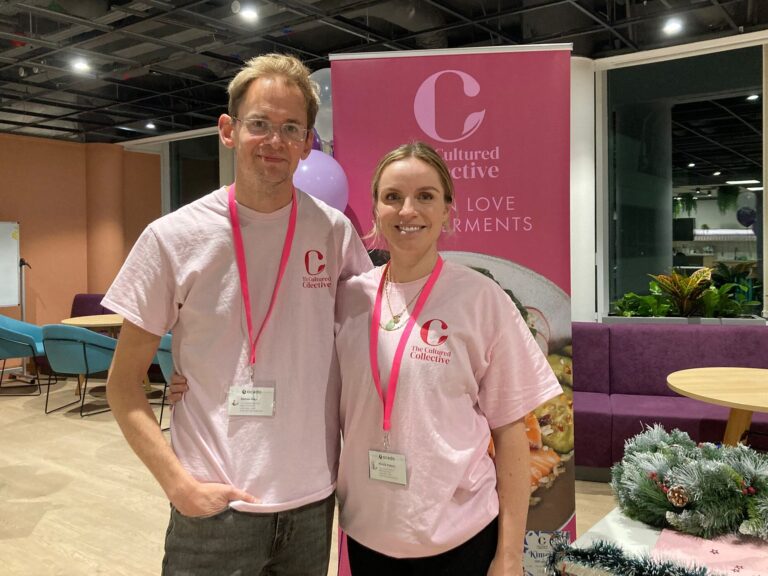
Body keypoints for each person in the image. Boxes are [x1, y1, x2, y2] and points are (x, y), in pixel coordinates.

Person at [103, 53, 371, 575]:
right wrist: (178, 485)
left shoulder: (334, 233)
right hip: (214, 507)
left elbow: (367, 341)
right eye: (260, 124)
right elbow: (122, 385)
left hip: (313, 503)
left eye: (291, 128)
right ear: (229, 130)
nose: (276, 141)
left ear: (308, 142)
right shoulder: (172, 237)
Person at [333, 141, 562, 575]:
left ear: (447, 211)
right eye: (393, 197)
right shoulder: (349, 299)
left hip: (462, 536)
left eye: (425, 196)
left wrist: (509, 556)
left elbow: (511, 432)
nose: (407, 211)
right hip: (367, 534)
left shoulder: (481, 298)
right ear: (377, 209)